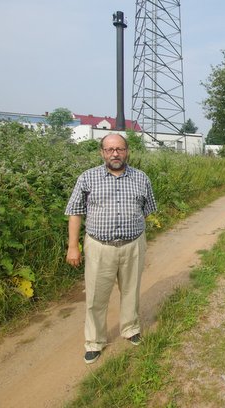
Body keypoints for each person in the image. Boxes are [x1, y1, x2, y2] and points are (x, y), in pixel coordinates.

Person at [65, 133, 157, 364]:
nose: (115, 153)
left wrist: (131, 231)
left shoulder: (141, 178)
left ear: (127, 151)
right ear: (102, 153)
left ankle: (130, 329)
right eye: (109, 149)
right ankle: (95, 342)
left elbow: (146, 210)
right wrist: (72, 246)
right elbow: (75, 212)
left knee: (130, 290)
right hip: (99, 247)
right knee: (96, 297)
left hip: (133, 245)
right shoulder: (87, 178)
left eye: (119, 149)